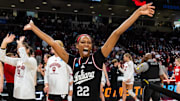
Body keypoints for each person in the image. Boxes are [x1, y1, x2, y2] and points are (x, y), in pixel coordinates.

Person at [24, 3, 155, 101]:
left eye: (89, 42)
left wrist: (137, 13)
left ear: (92, 46)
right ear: (77, 46)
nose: (86, 44)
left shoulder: (97, 58)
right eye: (83, 42)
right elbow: (52, 42)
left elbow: (117, 33)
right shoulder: (73, 60)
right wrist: (34, 28)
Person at [0, 34, 37, 101]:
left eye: (21, 48)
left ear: (28, 50)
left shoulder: (32, 60)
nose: (19, 50)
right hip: (17, 94)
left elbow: (25, 59)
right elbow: (2, 58)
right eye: (18, 48)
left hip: (28, 95)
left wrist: (20, 44)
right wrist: (4, 43)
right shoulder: (18, 61)